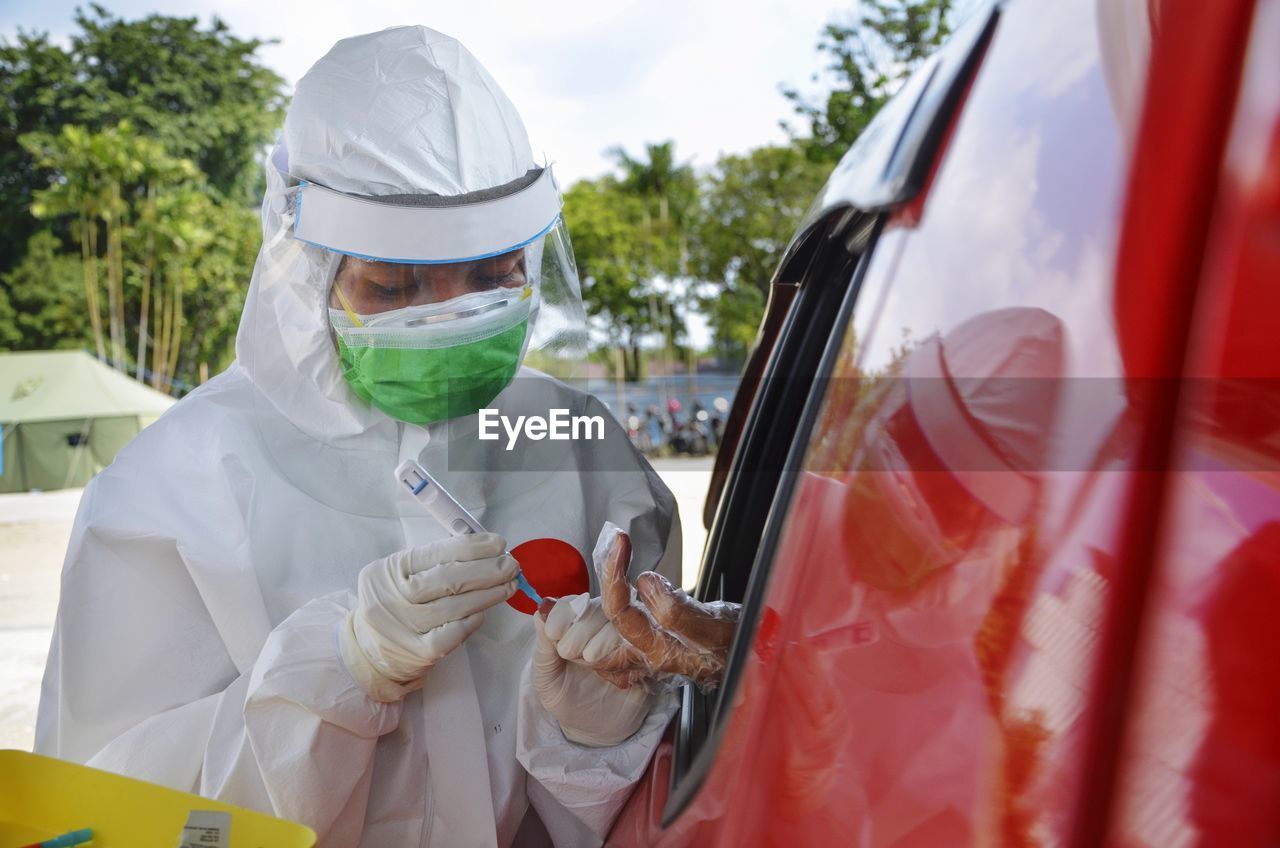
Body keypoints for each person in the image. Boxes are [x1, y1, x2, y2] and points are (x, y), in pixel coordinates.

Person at [35, 26, 681, 848]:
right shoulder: (172, 489)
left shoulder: (582, 449)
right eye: (395, 285)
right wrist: (331, 675)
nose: (449, 313)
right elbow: (96, 812)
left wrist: (597, 740)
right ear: (305, 268)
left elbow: (671, 801)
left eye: (492, 276)